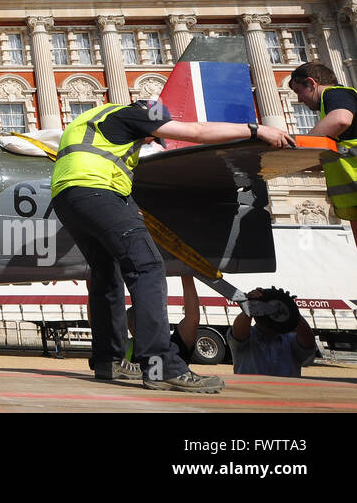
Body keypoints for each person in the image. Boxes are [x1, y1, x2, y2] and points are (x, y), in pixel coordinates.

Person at [51, 99, 294, 393]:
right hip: (99, 192)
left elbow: (96, 162)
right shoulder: (142, 111)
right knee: (148, 268)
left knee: (106, 273)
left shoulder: (90, 118)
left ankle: (109, 360)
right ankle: (161, 366)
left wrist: (127, 204)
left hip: (68, 197)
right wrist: (255, 130)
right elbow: (196, 131)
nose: (152, 139)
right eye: (154, 134)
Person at [287, 62, 357, 239]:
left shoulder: (335, 93)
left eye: (298, 92)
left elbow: (340, 119)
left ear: (311, 83)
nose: (300, 100)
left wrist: (298, 151)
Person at [230, 288, 316, 376]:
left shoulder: (290, 340)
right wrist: (251, 306)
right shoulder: (248, 337)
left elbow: (308, 342)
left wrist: (288, 306)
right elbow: (238, 334)